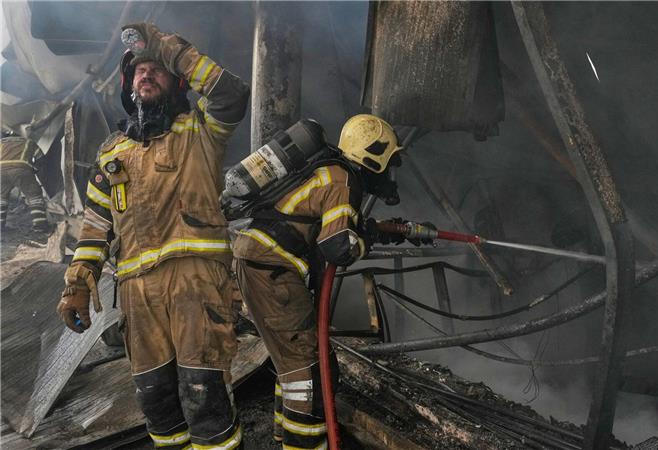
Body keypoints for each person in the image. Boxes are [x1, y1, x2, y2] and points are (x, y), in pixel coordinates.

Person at [56, 22, 249, 449]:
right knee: (158, 405)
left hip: (196, 284)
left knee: (205, 400)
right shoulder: (113, 152)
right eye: (138, 71)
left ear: (177, 81)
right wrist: (77, 283)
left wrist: (166, 47)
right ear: (128, 86)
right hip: (137, 296)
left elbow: (231, 93)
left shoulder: (201, 131)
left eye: (155, 69)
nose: (145, 74)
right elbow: (95, 224)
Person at [231, 114, 404, 449]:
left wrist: (369, 229)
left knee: (292, 364)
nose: (391, 170)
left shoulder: (328, 170)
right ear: (374, 155)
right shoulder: (344, 181)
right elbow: (338, 247)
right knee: (309, 374)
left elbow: (320, 222)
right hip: (272, 273)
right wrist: (363, 238)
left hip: (259, 264)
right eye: (389, 160)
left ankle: (284, 437)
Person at [0, 131, 48, 232]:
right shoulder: (29, 142)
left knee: (1, 198)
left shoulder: (1, 143)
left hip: (1, 171)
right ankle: (40, 227)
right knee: (34, 195)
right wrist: (35, 170)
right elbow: (41, 159)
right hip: (21, 170)